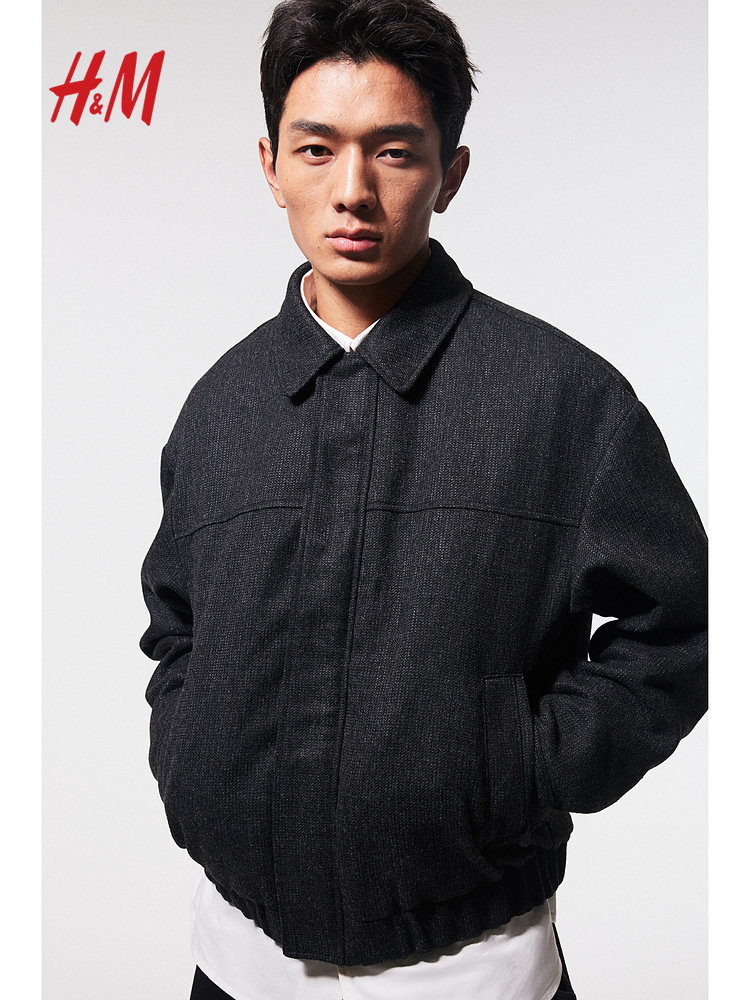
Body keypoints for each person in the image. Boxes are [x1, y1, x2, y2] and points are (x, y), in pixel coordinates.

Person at [139, 1, 708, 998]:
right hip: (234, 962)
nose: (351, 190)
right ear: (270, 165)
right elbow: (178, 631)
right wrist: (193, 757)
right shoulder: (221, 405)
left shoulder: (564, 399)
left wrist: (519, 767)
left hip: (470, 969)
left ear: (451, 172)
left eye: (394, 151)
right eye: (317, 149)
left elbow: (686, 627)